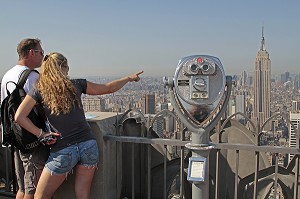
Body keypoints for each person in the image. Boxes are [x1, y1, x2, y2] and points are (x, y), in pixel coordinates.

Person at [14, 52, 143, 199]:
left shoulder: (40, 90)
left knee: (40, 195)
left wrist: (41, 134)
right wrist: (128, 78)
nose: (68, 71)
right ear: (62, 68)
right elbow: (108, 88)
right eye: (67, 67)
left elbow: (19, 117)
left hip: (63, 150)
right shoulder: (77, 84)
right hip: (88, 145)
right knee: (82, 194)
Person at [0, 38, 48, 199]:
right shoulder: (32, 77)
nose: (43, 56)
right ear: (31, 53)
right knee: (34, 189)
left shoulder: (8, 74)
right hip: (33, 138)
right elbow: (41, 108)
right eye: (41, 52)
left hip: (17, 138)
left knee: (23, 187)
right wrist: (42, 133)